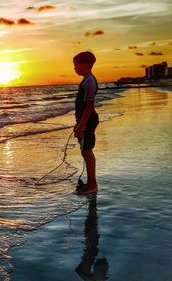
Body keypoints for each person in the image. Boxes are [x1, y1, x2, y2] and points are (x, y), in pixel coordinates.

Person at [73, 51, 99, 195]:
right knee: (85, 151)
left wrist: (82, 125)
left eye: (76, 65)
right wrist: (78, 124)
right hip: (85, 121)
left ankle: (92, 184)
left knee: (87, 151)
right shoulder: (86, 80)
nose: (75, 68)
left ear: (84, 64)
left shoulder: (89, 81)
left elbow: (89, 106)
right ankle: (90, 183)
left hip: (88, 121)